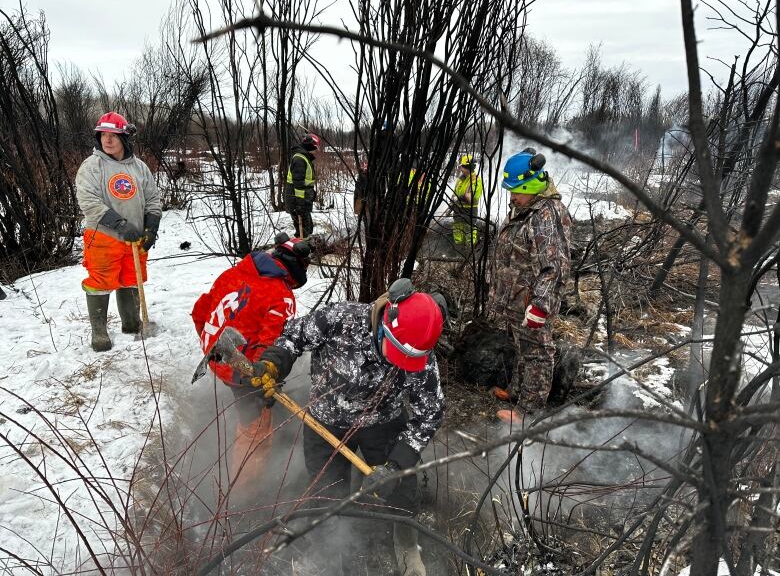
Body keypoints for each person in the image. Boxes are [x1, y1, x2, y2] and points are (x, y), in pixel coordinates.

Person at [252, 279, 446, 576]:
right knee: (325, 490)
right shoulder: (340, 319)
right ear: (385, 324)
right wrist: (274, 363)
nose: (404, 363)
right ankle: (329, 552)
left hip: (383, 422)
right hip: (325, 421)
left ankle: (407, 543)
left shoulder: (420, 354)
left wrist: (395, 465)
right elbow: (293, 337)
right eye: (398, 354)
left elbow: (429, 413)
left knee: (403, 489)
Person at [191, 233, 311, 481]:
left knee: (257, 404)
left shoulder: (233, 273)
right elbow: (271, 344)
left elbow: (200, 310)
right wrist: (254, 376)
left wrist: (209, 345)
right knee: (255, 433)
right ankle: (243, 493)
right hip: (243, 372)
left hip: (217, 356)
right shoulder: (280, 295)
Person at [486, 148, 572, 418]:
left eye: (516, 190)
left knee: (537, 352)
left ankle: (527, 412)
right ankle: (517, 391)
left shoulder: (547, 215)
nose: (511, 196)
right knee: (522, 347)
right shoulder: (526, 207)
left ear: (532, 184)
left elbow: (556, 264)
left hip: (531, 301)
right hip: (516, 298)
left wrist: (540, 304)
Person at [75, 111, 162, 352]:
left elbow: (153, 199)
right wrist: (120, 225)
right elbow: (89, 202)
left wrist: (151, 228)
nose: (107, 140)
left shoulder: (140, 167)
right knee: (100, 282)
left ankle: (132, 324)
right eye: (103, 134)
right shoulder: (92, 166)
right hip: (104, 236)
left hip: (135, 238)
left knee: (132, 280)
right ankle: (100, 332)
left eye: (113, 135)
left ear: (125, 138)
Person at [285, 133, 320, 238]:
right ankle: (301, 250)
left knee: (308, 228)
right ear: (310, 145)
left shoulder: (304, 157)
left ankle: (305, 246)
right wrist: (299, 205)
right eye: (316, 147)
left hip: (303, 200)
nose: (317, 150)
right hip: (298, 201)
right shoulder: (299, 159)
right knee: (303, 230)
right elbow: (298, 184)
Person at [451, 154, 483, 247]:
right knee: (457, 228)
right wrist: (452, 201)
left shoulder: (476, 180)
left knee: (470, 231)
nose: (461, 169)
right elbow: (455, 193)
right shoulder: (460, 179)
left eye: (463, 167)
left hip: (470, 210)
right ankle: (458, 248)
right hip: (457, 208)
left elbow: (472, 198)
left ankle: (470, 251)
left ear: (469, 167)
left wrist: (459, 197)